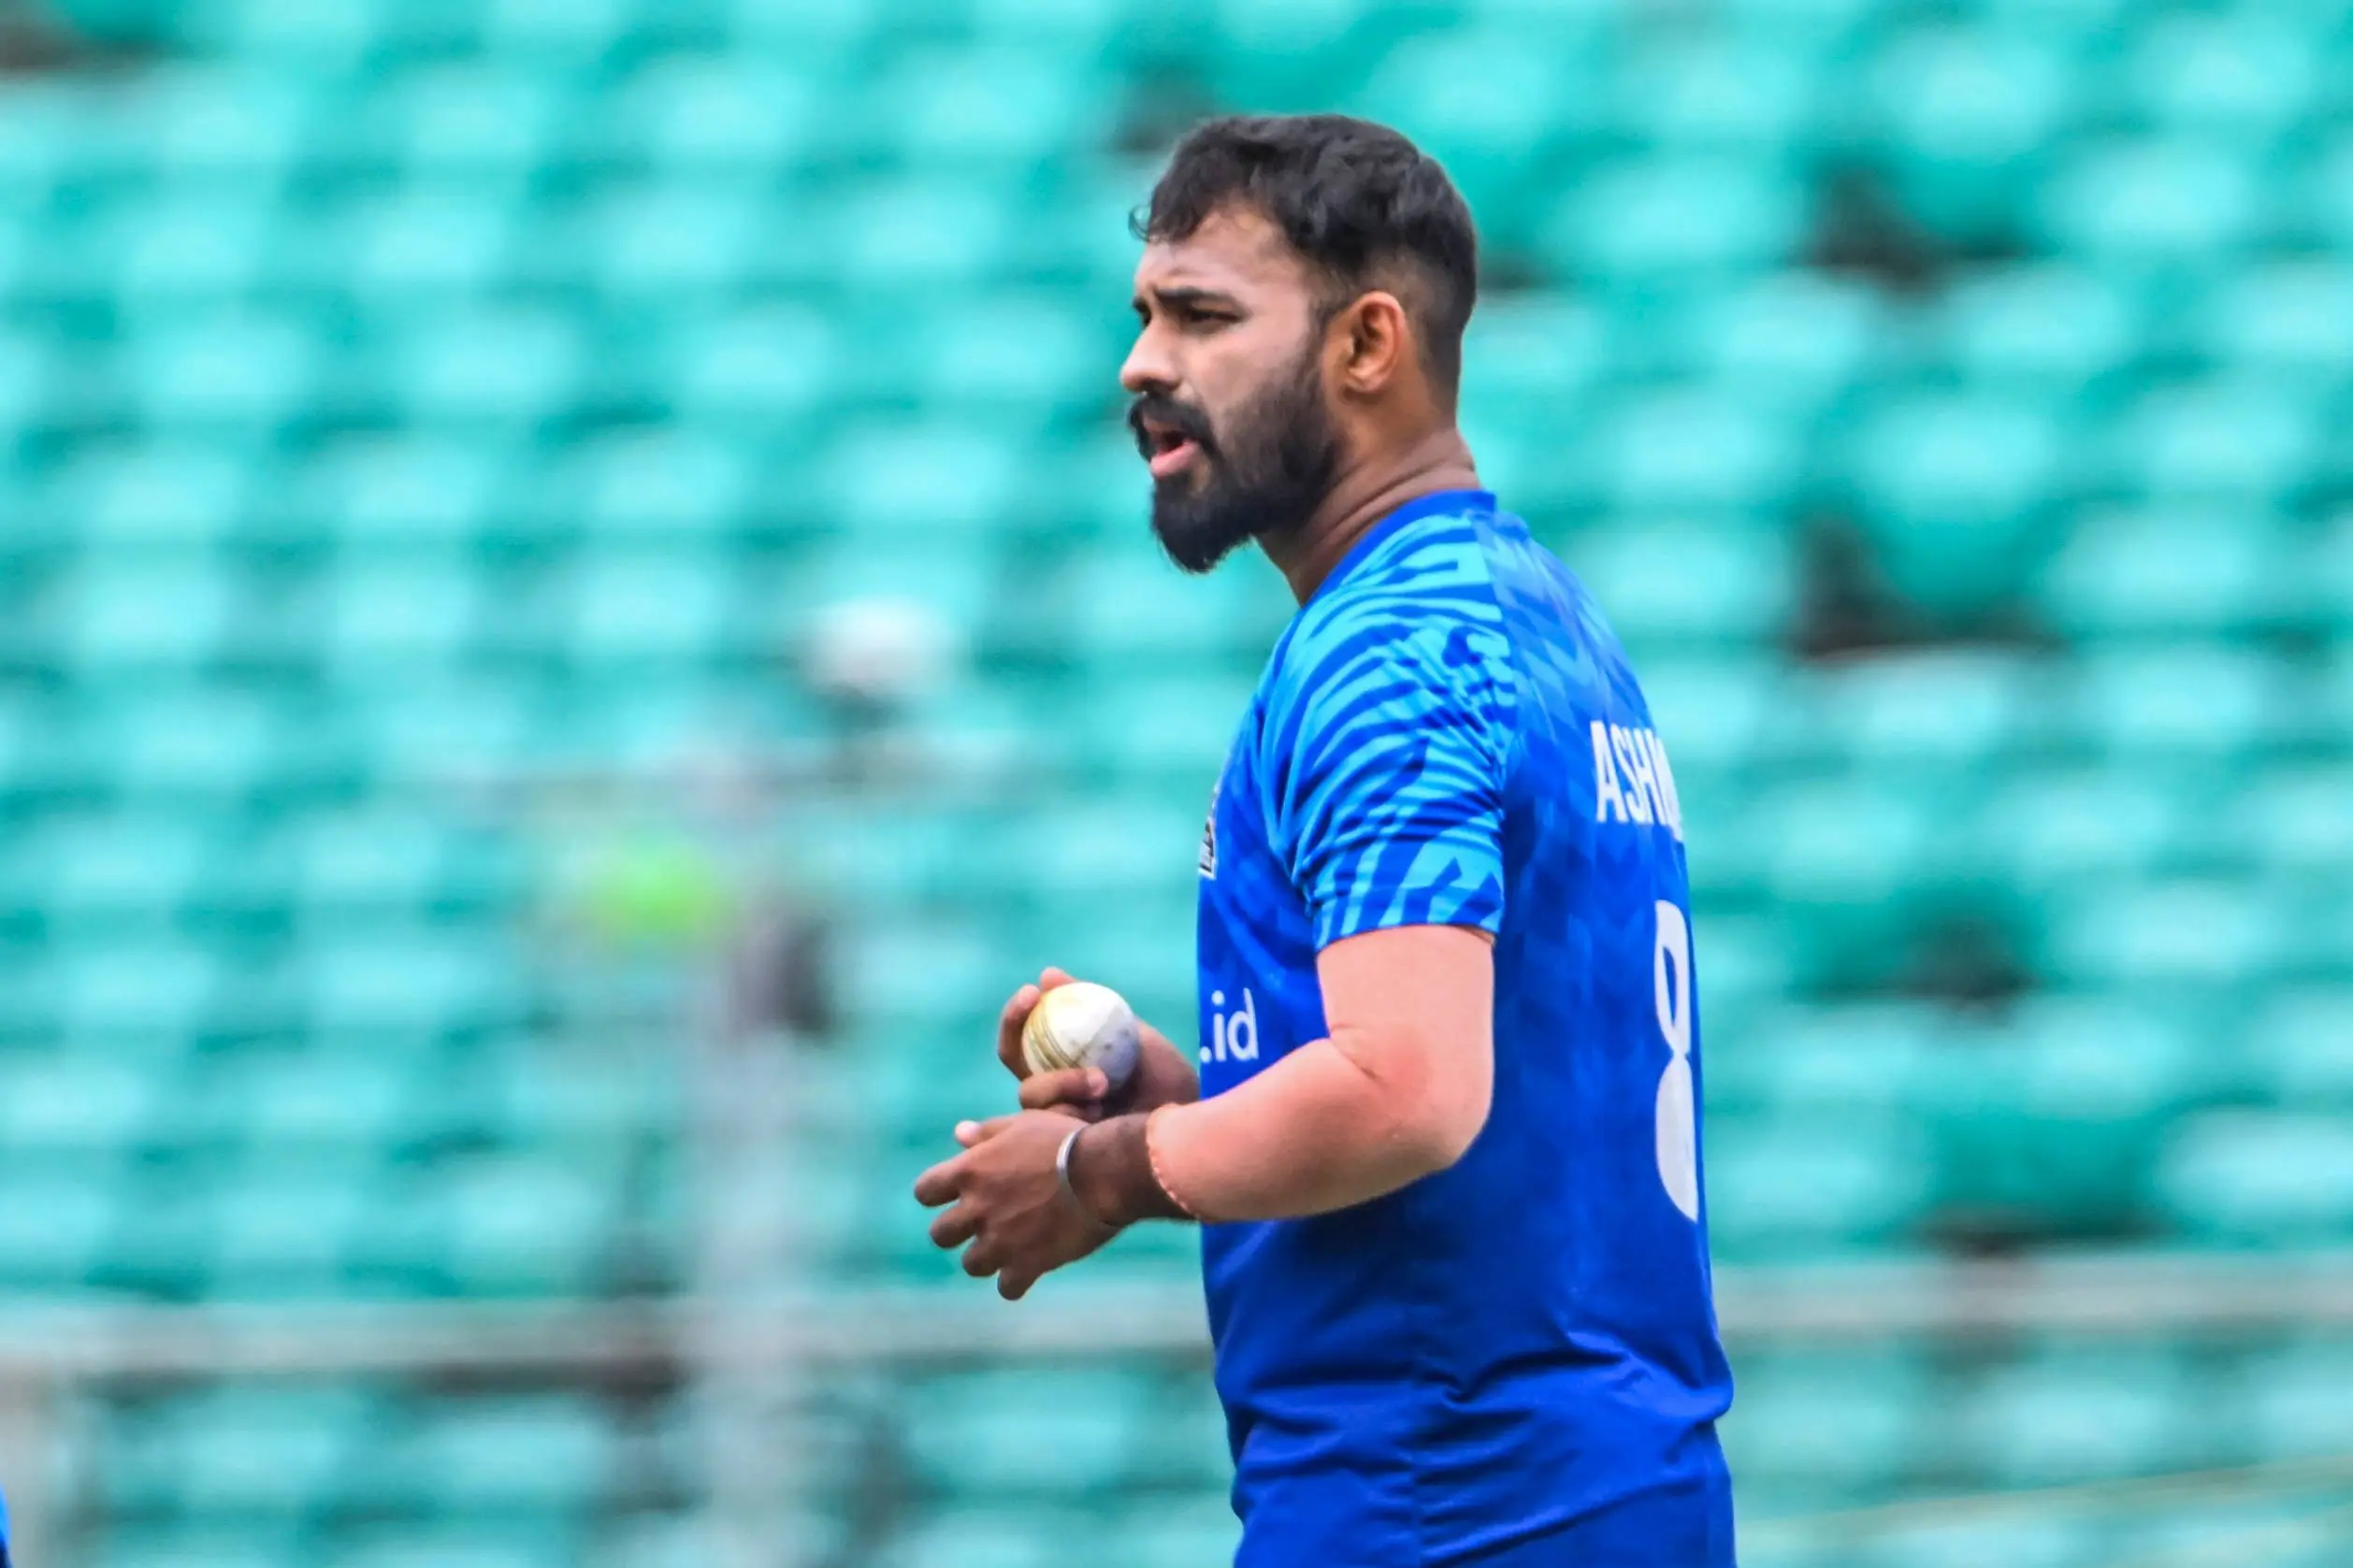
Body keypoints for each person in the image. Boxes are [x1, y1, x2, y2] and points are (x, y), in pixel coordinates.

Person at [914, 114, 1735, 1566]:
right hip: (1602, 1488)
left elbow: (1407, 1093)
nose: (1142, 362)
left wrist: (1101, 1174)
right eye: (1145, 314)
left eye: (1203, 316)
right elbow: (1482, 1093)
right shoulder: (1534, 614)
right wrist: (1190, 1095)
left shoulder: (1391, 653)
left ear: (1367, 345)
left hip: (1449, 1503)